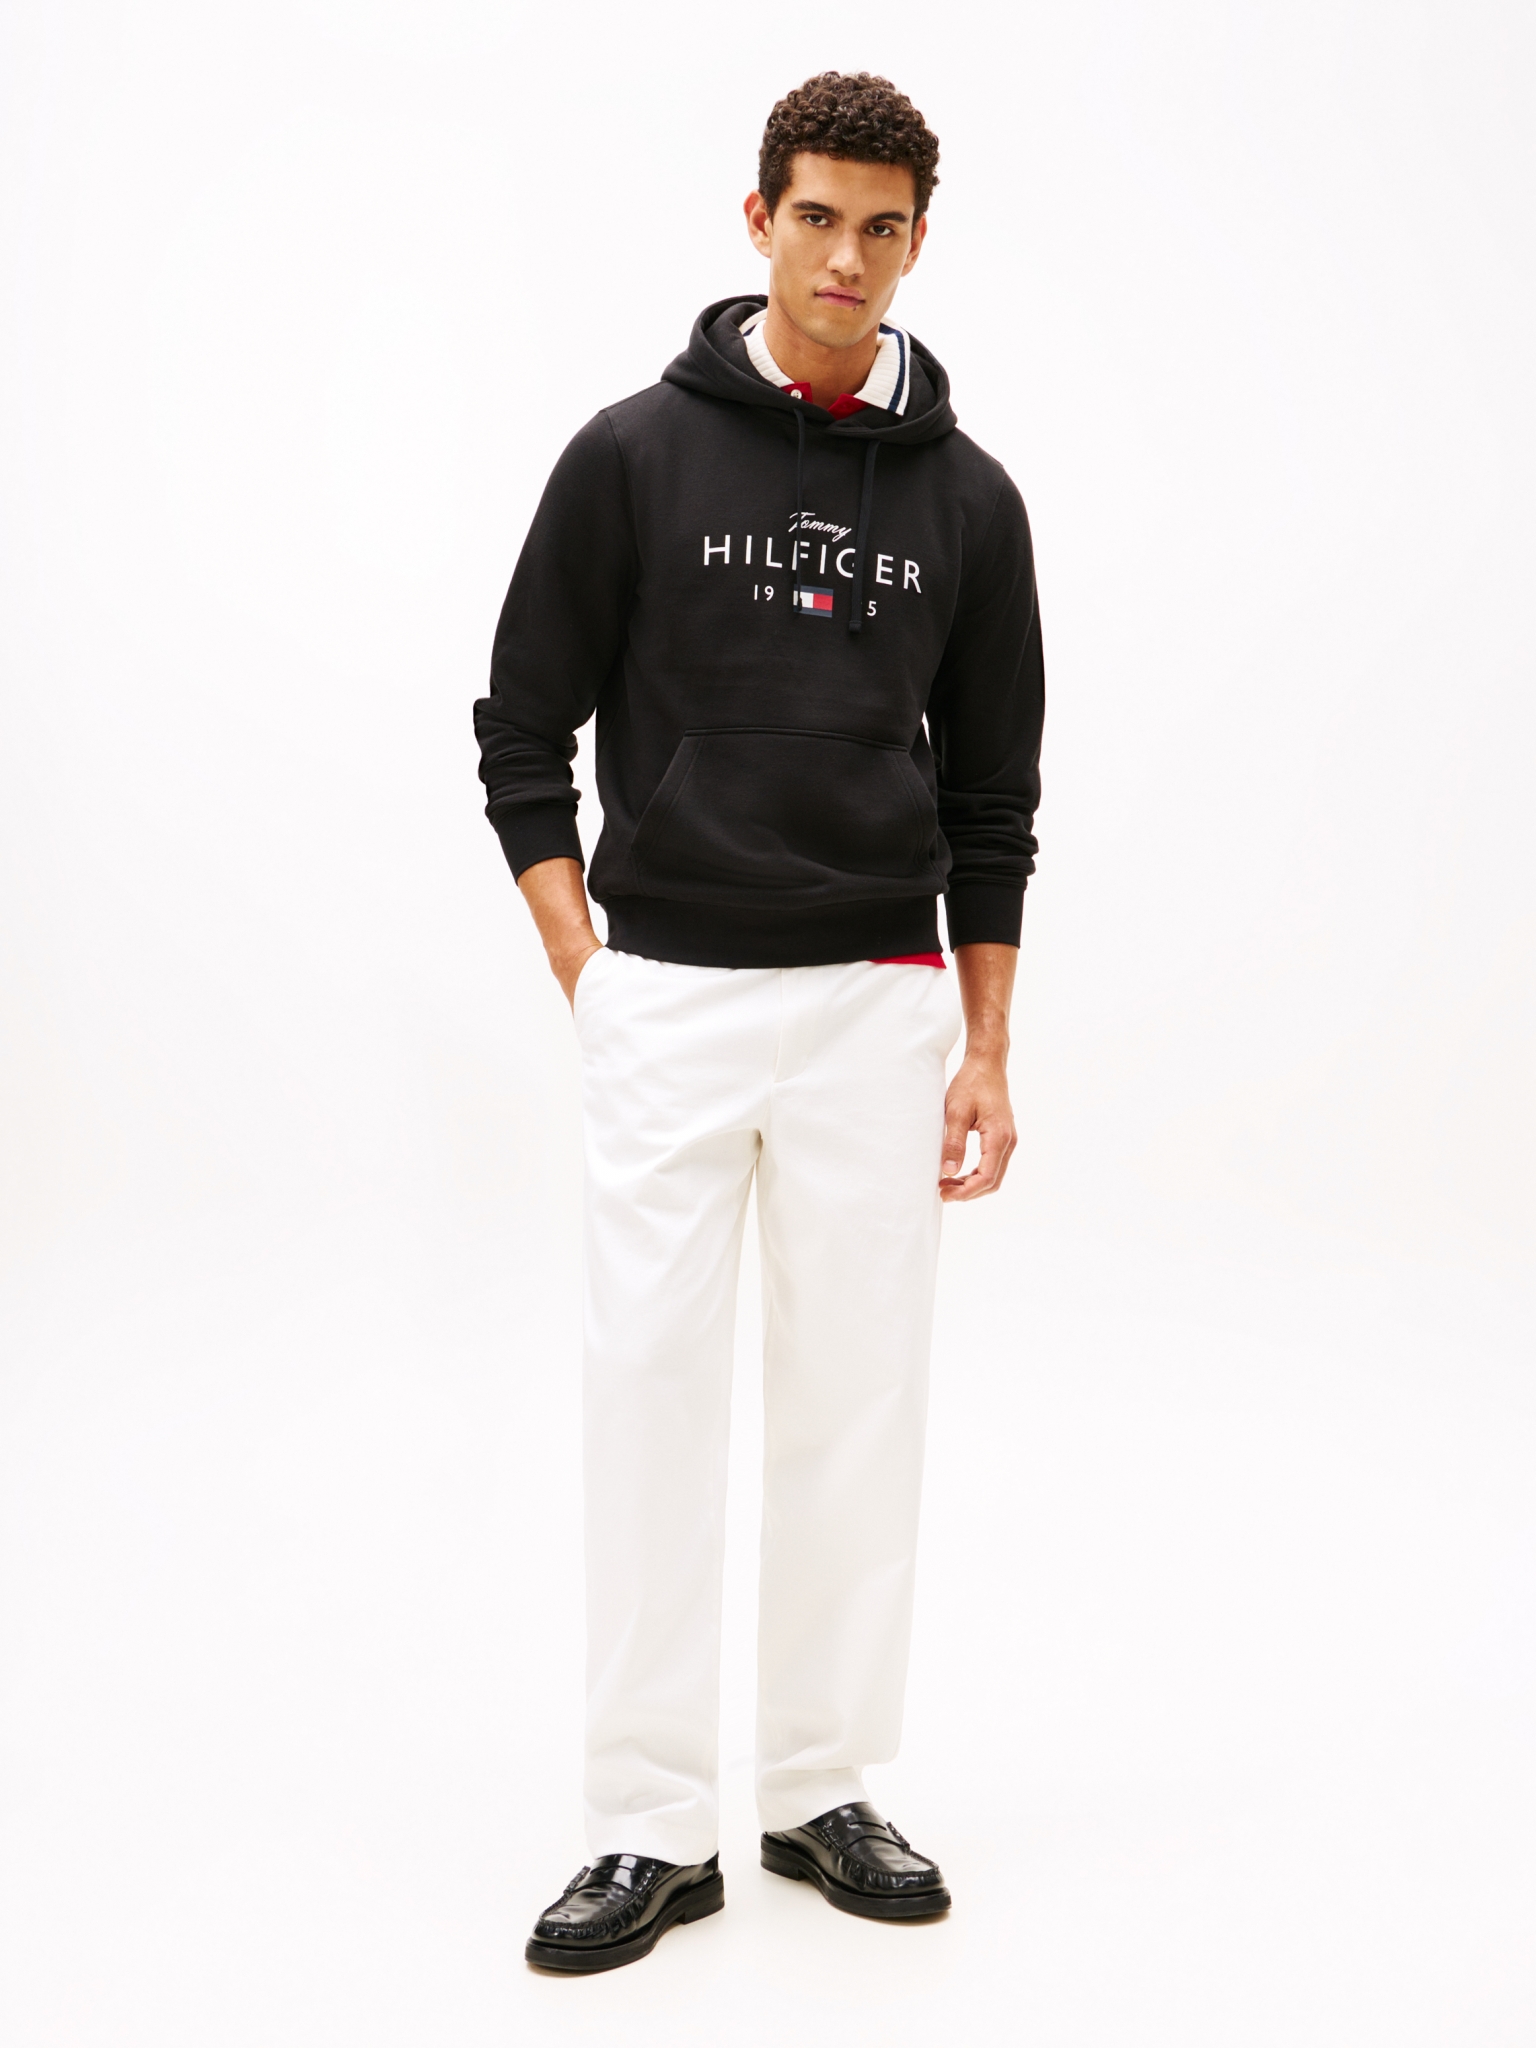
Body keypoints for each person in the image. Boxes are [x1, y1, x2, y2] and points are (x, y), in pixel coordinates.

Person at [474, 69, 1044, 1974]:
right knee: (648, 1394)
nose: (846, 258)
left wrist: (985, 1043)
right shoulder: (634, 455)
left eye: (883, 228)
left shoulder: (969, 501)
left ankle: (818, 1787)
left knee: (857, 1410)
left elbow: (995, 798)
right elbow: (520, 729)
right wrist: (591, 966)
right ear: (758, 221)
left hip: (879, 1008)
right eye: (817, 217)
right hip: (673, 994)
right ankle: (648, 1826)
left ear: (918, 243)